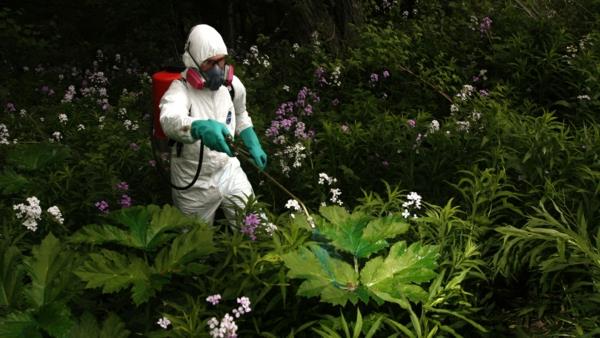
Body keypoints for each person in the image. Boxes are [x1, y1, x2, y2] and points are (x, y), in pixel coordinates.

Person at [159, 24, 267, 224]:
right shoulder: (179, 90)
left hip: (229, 169)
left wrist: (252, 141)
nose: (217, 69)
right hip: (192, 182)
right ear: (193, 63)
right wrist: (198, 127)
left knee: (256, 225)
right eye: (209, 63)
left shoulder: (233, 86)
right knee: (194, 244)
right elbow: (169, 119)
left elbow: (240, 113)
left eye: (220, 61)